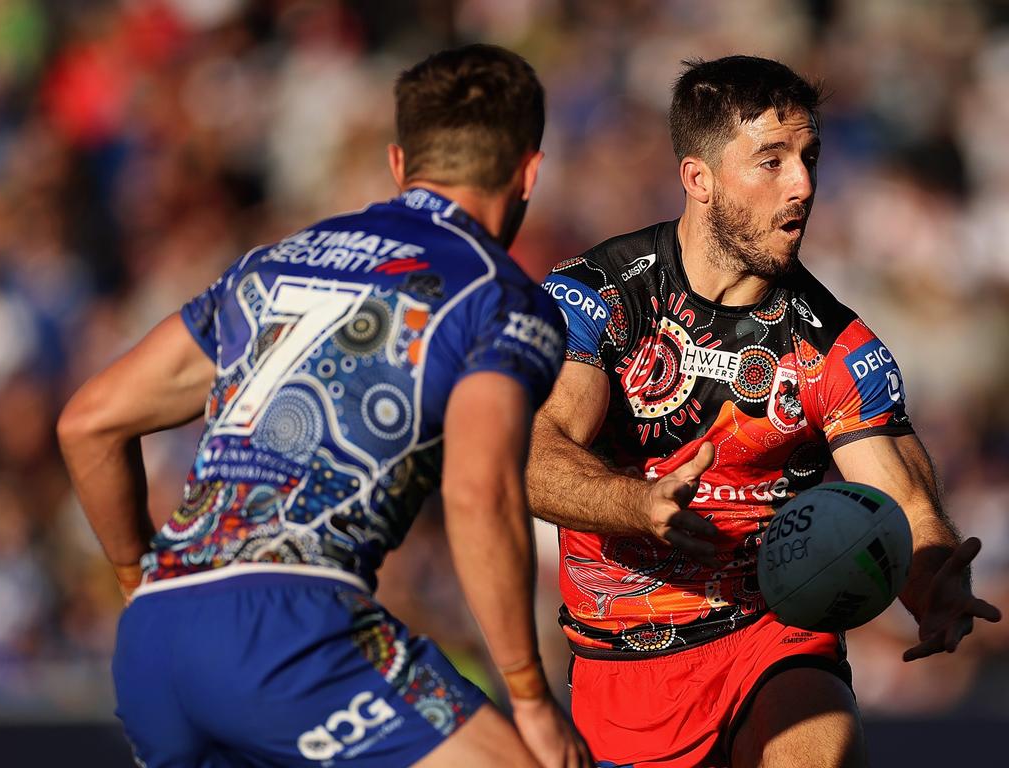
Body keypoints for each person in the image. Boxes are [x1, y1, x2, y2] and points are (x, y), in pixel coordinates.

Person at [58, 44, 590, 768]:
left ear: (400, 164)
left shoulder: (269, 266)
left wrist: (138, 581)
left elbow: (88, 422)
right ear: (531, 169)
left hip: (154, 646)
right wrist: (529, 697)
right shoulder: (500, 300)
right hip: (292, 627)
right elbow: (479, 490)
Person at [527, 55, 1001, 768]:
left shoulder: (837, 348)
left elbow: (902, 501)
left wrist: (932, 578)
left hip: (772, 641)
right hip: (619, 671)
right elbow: (531, 454)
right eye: (772, 162)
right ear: (700, 178)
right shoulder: (599, 297)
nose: (804, 185)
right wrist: (635, 504)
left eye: (809, 158)